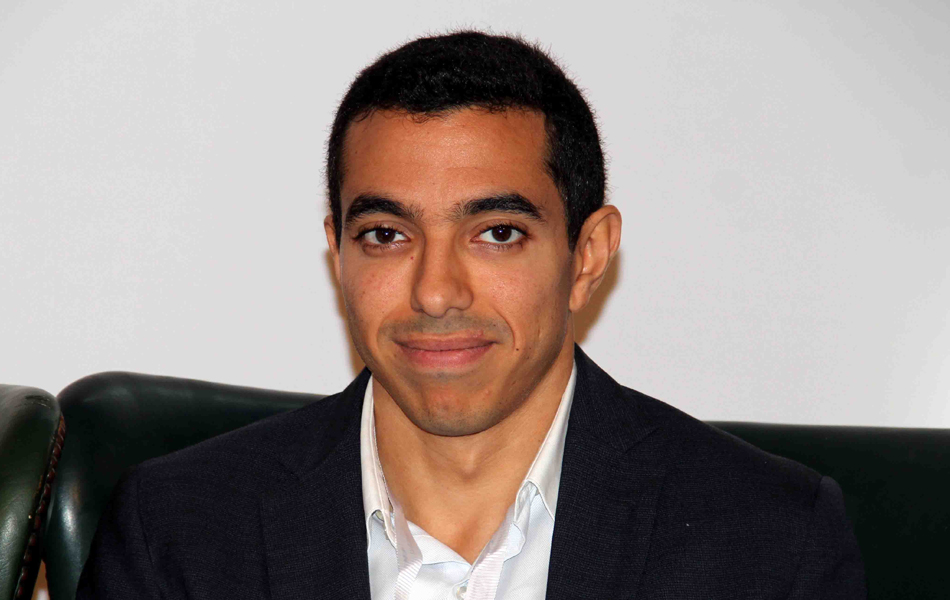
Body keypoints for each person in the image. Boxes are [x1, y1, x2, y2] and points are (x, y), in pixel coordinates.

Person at [78, 31, 865, 599]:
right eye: (386, 235)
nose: (435, 292)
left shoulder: (768, 541)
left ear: (587, 255)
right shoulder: (177, 532)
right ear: (338, 251)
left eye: (497, 234)